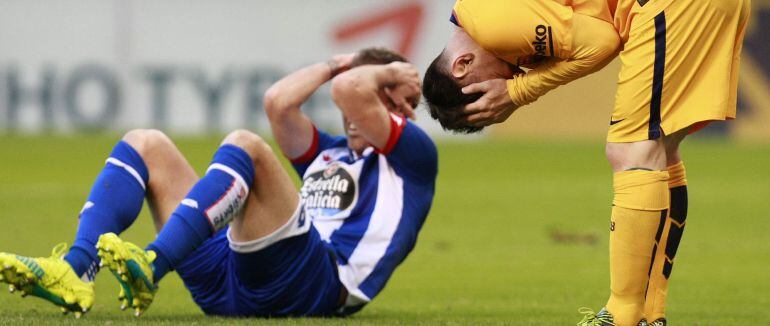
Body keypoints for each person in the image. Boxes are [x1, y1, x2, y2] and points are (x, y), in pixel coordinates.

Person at [0, 47, 438, 318]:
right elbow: (278, 102)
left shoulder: (412, 158)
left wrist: (376, 74)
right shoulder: (330, 152)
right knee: (146, 142)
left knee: (247, 145)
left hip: (317, 285)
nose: (360, 114)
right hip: (233, 282)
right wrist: (345, 61)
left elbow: (349, 91)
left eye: (390, 102)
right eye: (383, 97)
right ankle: (73, 270)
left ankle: (151, 267)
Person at [421, 0, 750, 325]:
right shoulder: (488, 13)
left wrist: (519, 91)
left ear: (462, 64)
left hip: (671, 6)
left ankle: (621, 317)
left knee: (630, 150)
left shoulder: (491, 25)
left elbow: (601, 41)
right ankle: (650, 314)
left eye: (496, 83)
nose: (512, 74)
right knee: (659, 149)